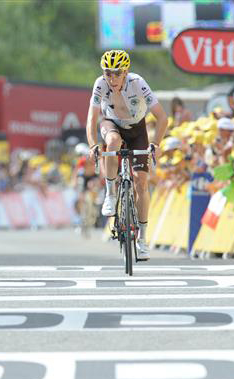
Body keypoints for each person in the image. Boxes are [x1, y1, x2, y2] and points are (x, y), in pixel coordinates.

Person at [86, 49, 168, 260]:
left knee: (141, 182)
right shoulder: (100, 84)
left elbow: (162, 118)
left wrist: (155, 143)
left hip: (136, 128)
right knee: (112, 142)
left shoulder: (138, 83)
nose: (111, 78)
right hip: (111, 123)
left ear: (126, 72)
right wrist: (94, 144)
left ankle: (142, 238)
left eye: (116, 73)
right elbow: (91, 118)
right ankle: (111, 194)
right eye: (108, 72)